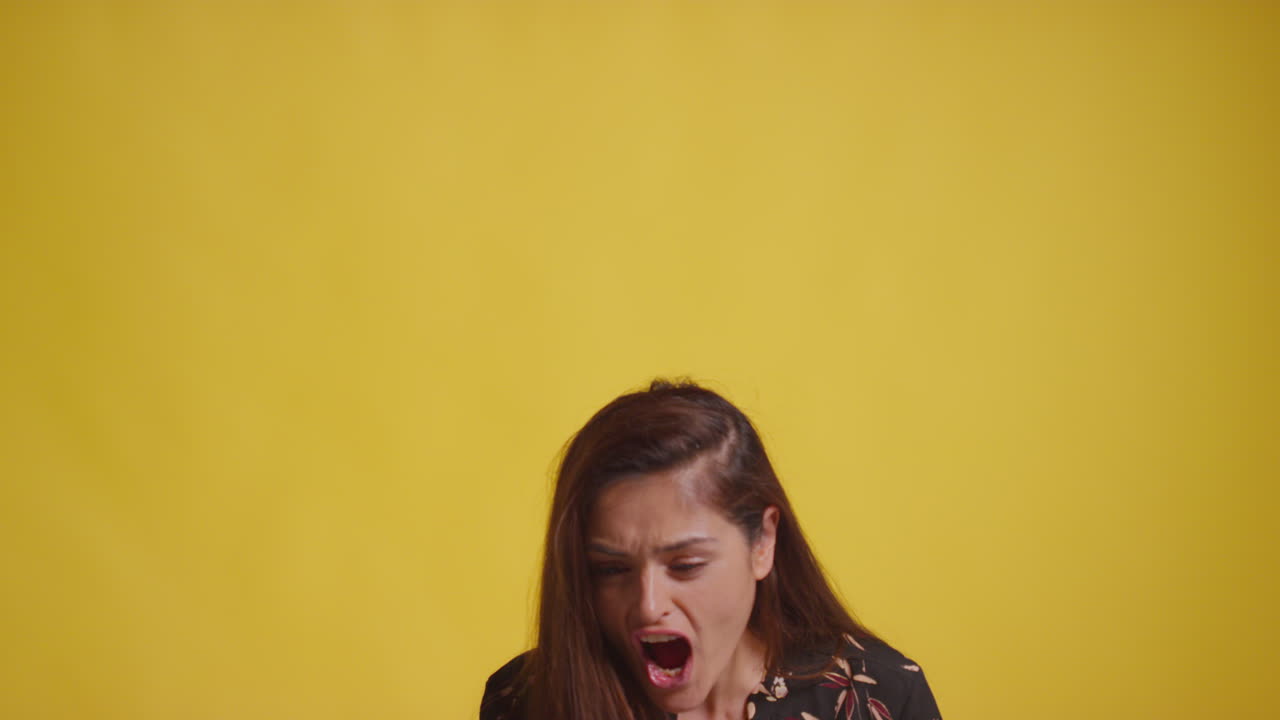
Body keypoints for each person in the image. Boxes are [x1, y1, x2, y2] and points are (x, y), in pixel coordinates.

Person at [480, 379, 942, 720]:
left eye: (685, 565)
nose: (649, 605)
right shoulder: (523, 701)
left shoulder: (878, 696)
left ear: (762, 543)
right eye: (611, 569)